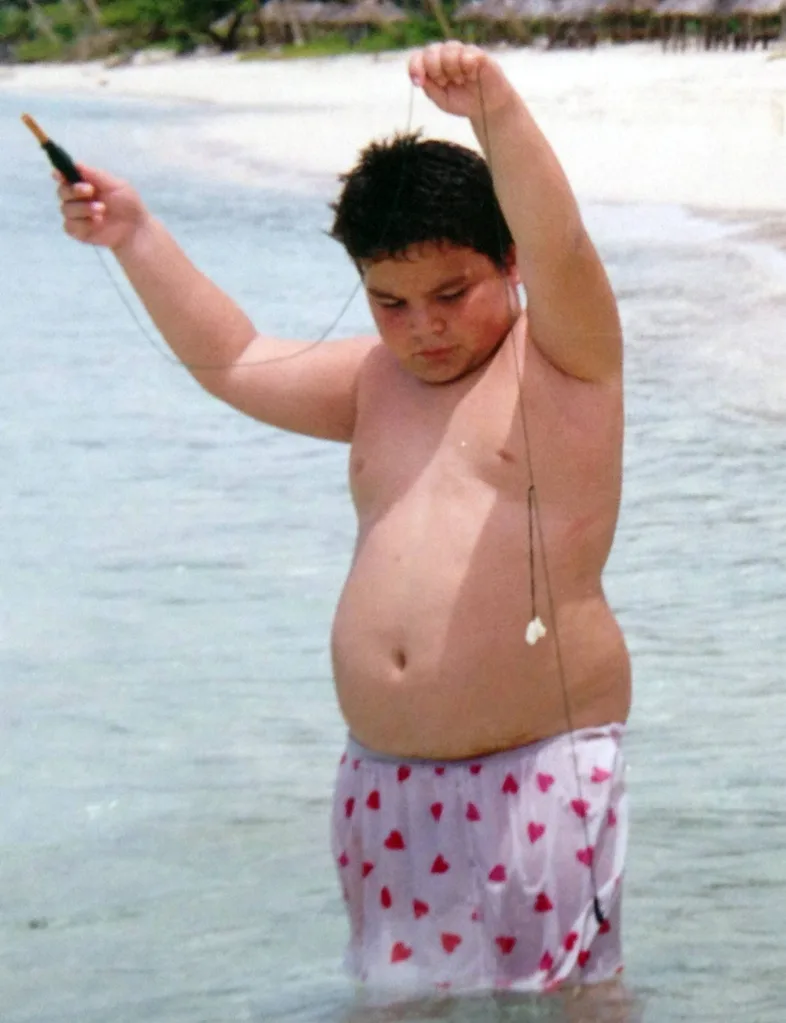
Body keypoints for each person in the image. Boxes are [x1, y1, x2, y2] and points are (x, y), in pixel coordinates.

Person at [56, 42, 631, 1001]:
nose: (423, 326)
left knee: (570, 1003)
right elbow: (235, 358)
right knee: (390, 1003)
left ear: (509, 263)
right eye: (390, 302)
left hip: (538, 764)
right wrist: (137, 236)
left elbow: (561, 241)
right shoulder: (373, 383)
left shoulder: (567, 359)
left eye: (451, 294)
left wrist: (494, 112)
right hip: (385, 777)